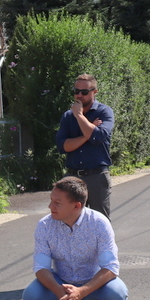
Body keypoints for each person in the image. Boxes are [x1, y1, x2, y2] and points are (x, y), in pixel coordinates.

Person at [23, 176, 128, 300]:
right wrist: (58, 291)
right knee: (32, 296)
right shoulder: (45, 225)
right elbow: (41, 267)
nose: (51, 206)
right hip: (61, 281)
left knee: (118, 294)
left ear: (77, 205)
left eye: (57, 202)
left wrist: (81, 291)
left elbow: (110, 267)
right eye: (51, 200)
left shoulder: (99, 223)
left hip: (93, 281)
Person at [55, 74, 115, 219]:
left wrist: (80, 116)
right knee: (69, 220)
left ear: (95, 92)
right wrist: (87, 133)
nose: (79, 95)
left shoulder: (105, 112)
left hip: (97, 176)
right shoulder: (68, 116)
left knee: (100, 222)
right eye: (76, 91)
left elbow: (98, 137)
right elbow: (63, 146)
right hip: (72, 176)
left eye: (84, 92)